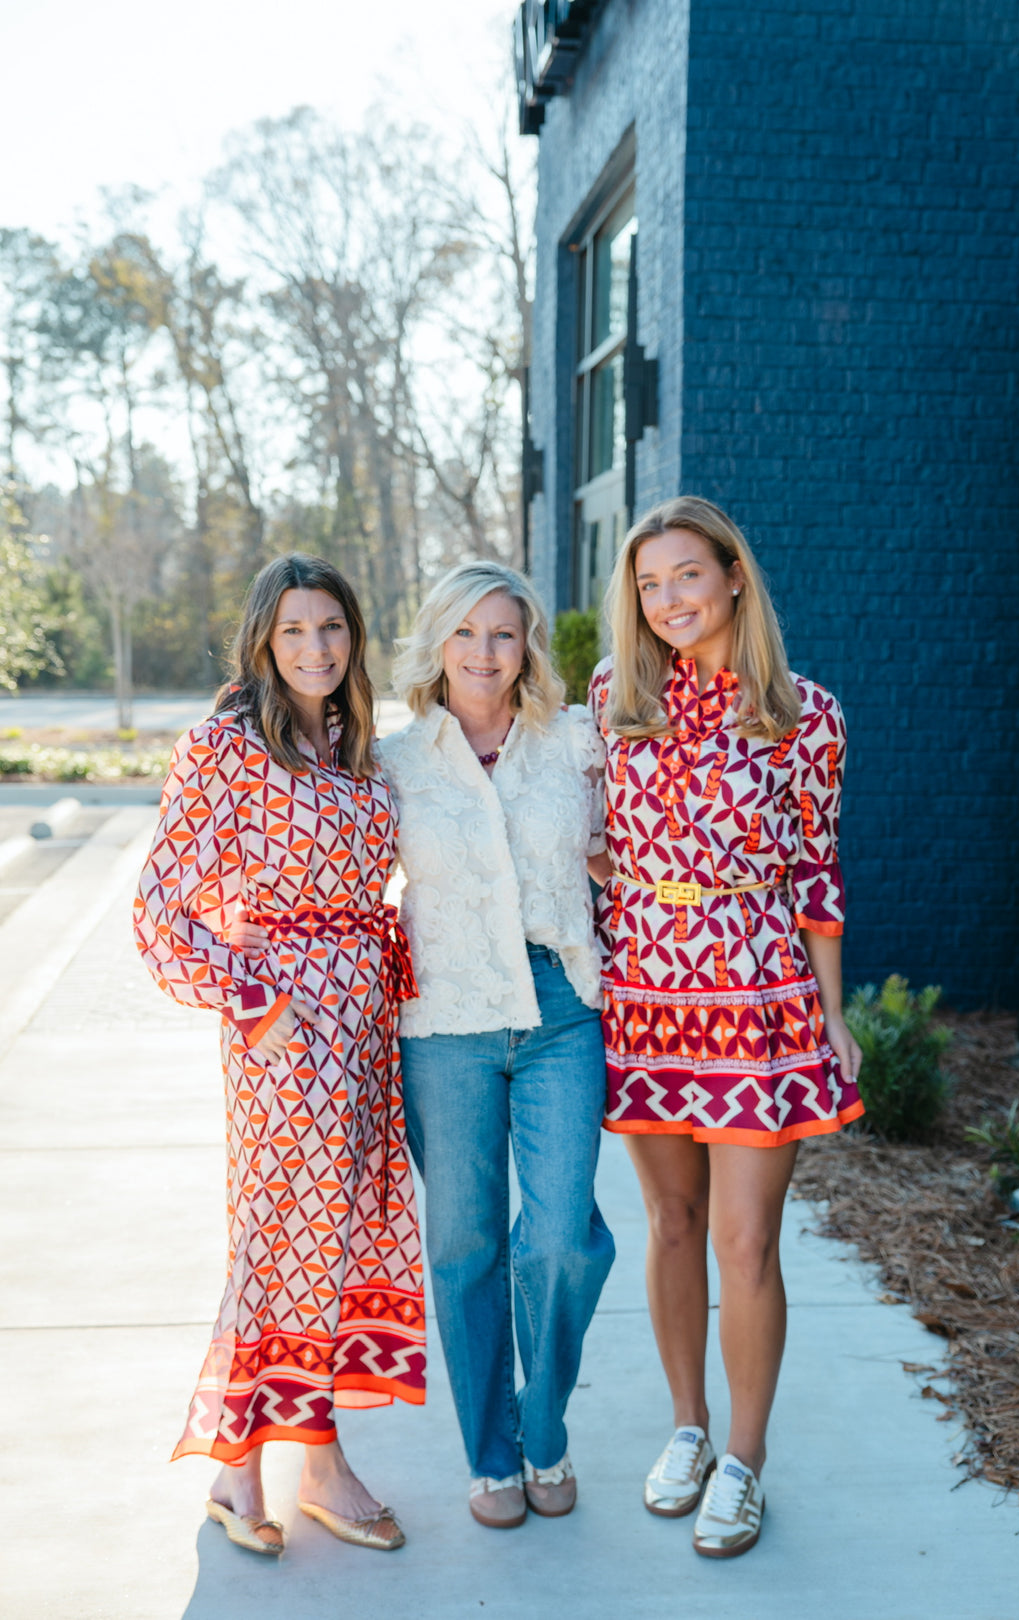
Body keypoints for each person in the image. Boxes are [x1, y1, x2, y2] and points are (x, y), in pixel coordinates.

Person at [588, 496, 863, 1559]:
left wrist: (832, 1018)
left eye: (687, 577)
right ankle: (687, 1429)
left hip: (757, 996)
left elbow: (817, 874)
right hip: (650, 995)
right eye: (650, 584)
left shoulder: (806, 715)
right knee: (670, 1225)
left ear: (734, 577)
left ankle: (744, 1461)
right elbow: (588, 834)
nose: (668, 602)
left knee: (746, 1240)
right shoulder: (616, 699)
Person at [134, 554, 424, 1558]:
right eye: (295, 631)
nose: (316, 648)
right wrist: (262, 1009)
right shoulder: (227, 747)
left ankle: (241, 1466)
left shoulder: (356, 746)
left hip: (365, 1031)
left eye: (333, 629)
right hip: (286, 1036)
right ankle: (314, 1460)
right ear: (264, 641)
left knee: (334, 1239)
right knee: (283, 1242)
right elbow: (161, 913)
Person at [379, 559, 615, 1529]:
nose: (485, 652)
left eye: (504, 634)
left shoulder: (573, 743)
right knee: (467, 1244)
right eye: (467, 634)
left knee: (560, 1237)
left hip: (560, 1012)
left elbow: (628, 845)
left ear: (527, 648)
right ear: (438, 644)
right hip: (444, 1023)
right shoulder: (393, 761)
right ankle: (490, 1456)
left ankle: (541, 1426)